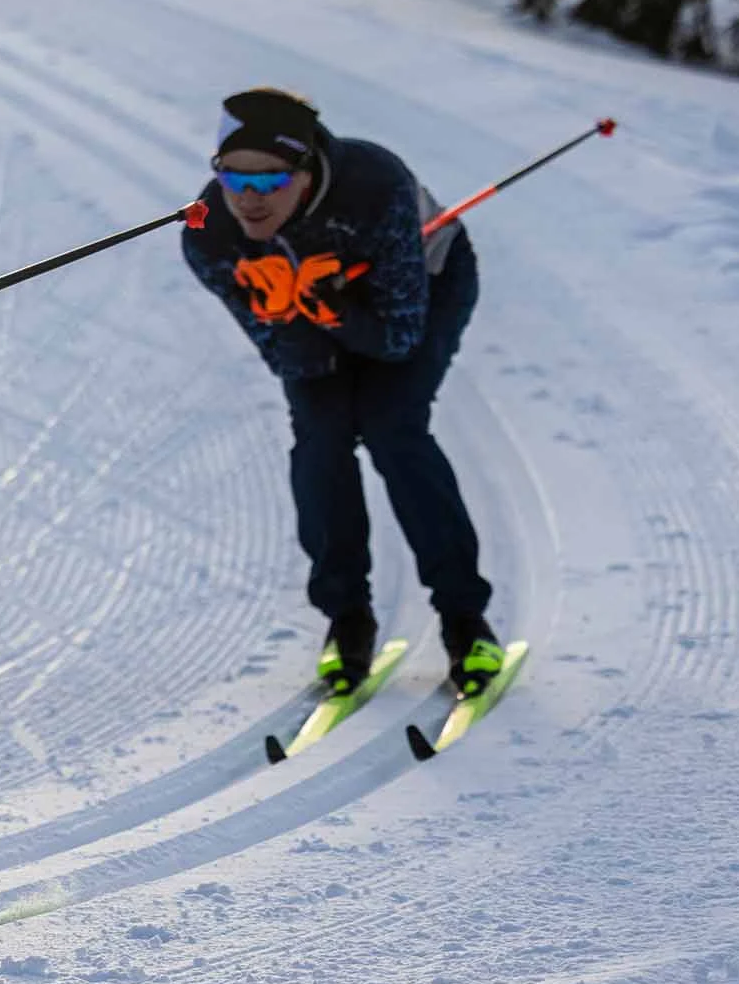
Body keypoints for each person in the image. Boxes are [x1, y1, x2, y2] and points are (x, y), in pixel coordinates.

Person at [180, 88, 506, 698]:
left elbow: (398, 338)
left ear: (304, 174)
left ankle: (466, 620)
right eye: (232, 177)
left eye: (271, 179)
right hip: (320, 316)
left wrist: (318, 303)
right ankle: (346, 617)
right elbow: (283, 355)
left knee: (394, 431)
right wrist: (287, 317)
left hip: (430, 289)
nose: (250, 199)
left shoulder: (374, 186)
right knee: (320, 442)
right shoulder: (210, 237)